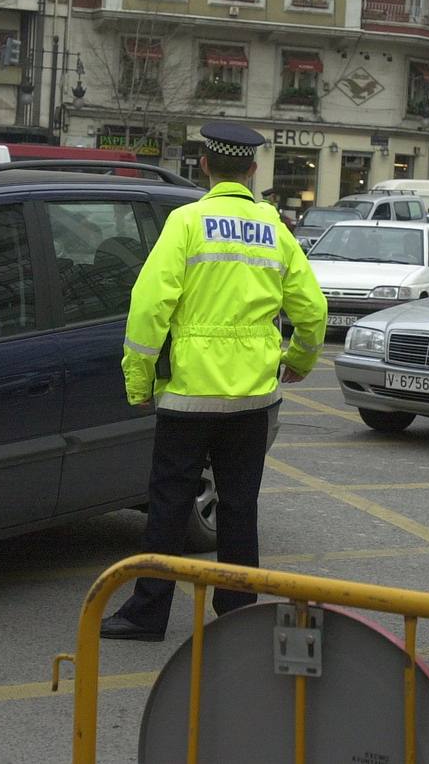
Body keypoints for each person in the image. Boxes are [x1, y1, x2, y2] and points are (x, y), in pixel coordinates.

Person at [100, 122, 328, 642]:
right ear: (252, 170)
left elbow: (149, 307)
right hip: (251, 396)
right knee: (240, 505)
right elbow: (312, 311)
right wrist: (300, 359)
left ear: (203, 165)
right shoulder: (274, 227)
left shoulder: (187, 221)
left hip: (188, 395)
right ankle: (237, 608)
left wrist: (138, 382)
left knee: (168, 506)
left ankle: (148, 614)